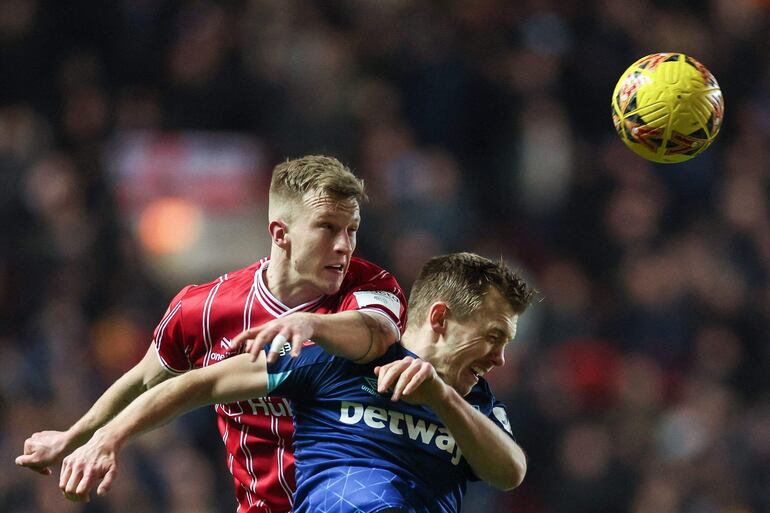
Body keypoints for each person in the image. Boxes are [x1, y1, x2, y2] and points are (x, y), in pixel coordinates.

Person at [16, 155, 407, 513]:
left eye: (351, 230)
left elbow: (377, 333)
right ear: (280, 232)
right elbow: (143, 381)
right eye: (327, 227)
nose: (344, 246)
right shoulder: (204, 309)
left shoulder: (369, 286)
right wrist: (76, 438)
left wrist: (312, 325)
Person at [58, 252, 534, 513]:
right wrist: (108, 436)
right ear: (439, 317)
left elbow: (509, 471)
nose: (500, 357)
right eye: (493, 337)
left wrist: (440, 397)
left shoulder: (476, 406)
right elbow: (199, 384)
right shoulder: (336, 361)